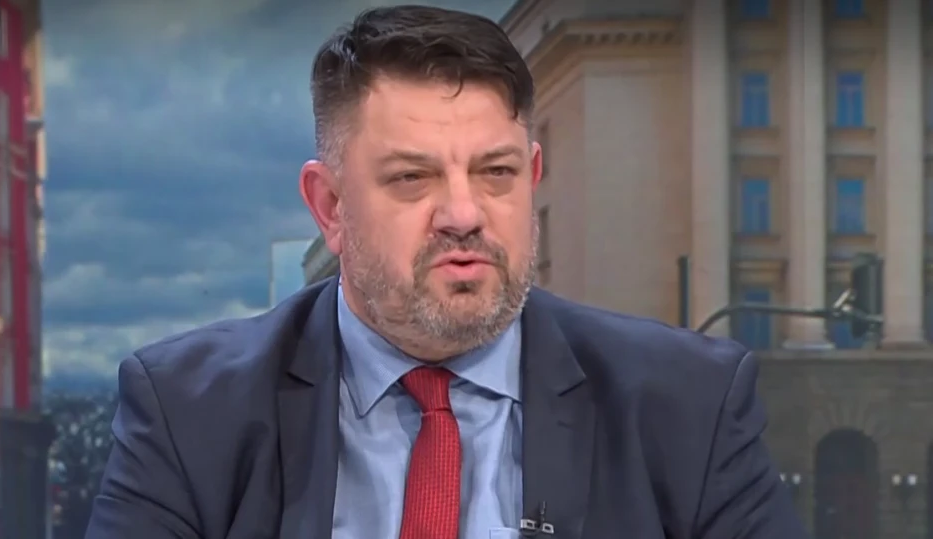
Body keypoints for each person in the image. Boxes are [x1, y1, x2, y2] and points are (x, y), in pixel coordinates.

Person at [85, 5, 809, 539]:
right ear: (330, 206)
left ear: (532, 176)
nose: (464, 214)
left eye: (496, 173)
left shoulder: (689, 406)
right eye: (412, 178)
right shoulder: (188, 411)